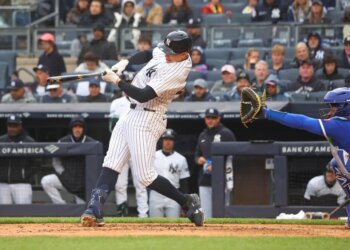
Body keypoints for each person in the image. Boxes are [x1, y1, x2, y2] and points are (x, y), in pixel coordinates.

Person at [80, 30, 204, 227]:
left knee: (145, 177)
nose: (165, 53)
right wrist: (126, 62)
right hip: (130, 113)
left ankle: (186, 201)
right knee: (111, 163)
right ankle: (94, 208)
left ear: (183, 54)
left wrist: (117, 81)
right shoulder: (167, 53)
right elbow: (148, 54)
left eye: (170, 52)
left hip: (148, 117)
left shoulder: (177, 71)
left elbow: (143, 95)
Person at [253, 87, 350, 228]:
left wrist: (267, 113)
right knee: (337, 163)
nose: (331, 110)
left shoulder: (339, 125)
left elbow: (302, 122)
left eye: (334, 106)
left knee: (339, 161)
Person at [109, 91, 149, 218]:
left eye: (130, 83)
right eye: (126, 82)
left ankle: (143, 215)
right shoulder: (117, 103)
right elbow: (112, 126)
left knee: (141, 183)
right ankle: (122, 216)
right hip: (121, 146)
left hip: (138, 147)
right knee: (120, 185)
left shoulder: (143, 101)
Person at [41, 116, 96, 204]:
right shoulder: (63, 141)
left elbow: (96, 165)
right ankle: (61, 206)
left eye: (80, 127)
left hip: (83, 184)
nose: (77, 129)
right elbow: (56, 161)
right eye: (75, 127)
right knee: (46, 181)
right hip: (66, 179)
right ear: (71, 128)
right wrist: (63, 173)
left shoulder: (92, 143)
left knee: (83, 211)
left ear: (83, 128)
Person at [195, 108, 236, 218]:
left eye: (213, 118)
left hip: (222, 180)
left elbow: (233, 155)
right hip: (205, 179)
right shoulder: (202, 135)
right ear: (205, 119)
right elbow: (196, 154)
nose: (210, 120)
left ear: (218, 119)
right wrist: (199, 159)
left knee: (222, 213)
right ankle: (207, 235)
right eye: (208, 117)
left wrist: (217, 166)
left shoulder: (226, 133)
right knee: (206, 215)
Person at [149, 129, 190, 218]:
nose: (168, 142)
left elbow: (184, 183)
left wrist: (184, 204)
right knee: (155, 224)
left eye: (170, 139)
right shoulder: (152, 156)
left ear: (174, 142)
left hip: (173, 195)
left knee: (174, 224)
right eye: (166, 139)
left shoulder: (181, 159)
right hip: (156, 194)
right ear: (162, 141)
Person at [0, 115, 35, 204]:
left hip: (22, 184)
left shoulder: (29, 141)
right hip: (3, 184)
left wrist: (25, 175)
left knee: (24, 214)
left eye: (15, 126)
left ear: (20, 126)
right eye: (10, 126)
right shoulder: (1, 140)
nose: (12, 128)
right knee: (4, 214)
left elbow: (36, 162)